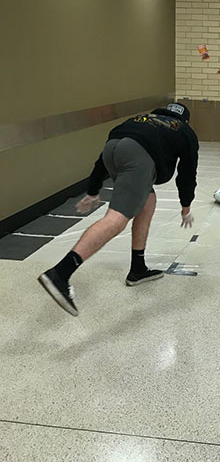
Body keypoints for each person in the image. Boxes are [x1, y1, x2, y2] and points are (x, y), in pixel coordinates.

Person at [38, 102, 198, 317]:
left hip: (112, 149)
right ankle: (60, 273)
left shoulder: (144, 119)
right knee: (116, 219)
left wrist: (93, 190)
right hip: (138, 156)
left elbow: (103, 158)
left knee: (148, 199)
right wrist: (186, 207)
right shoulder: (184, 130)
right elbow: (187, 173)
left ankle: (138, 269)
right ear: (185, 120)